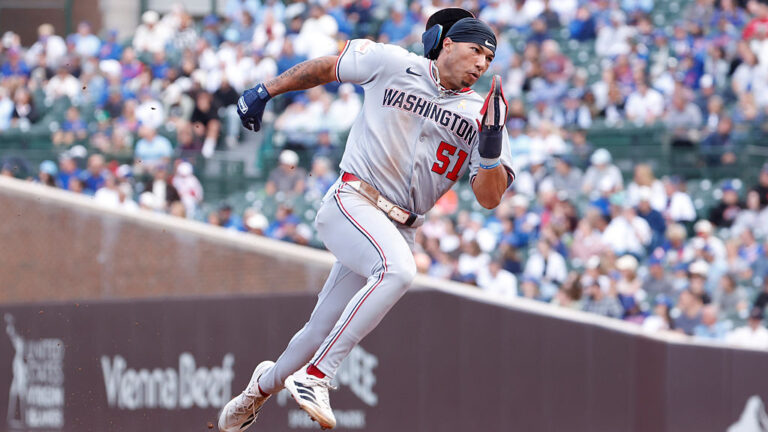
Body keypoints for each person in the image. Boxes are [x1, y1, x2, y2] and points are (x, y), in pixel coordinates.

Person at [219, 10, 515, 431]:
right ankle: (319, 376)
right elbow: (326, 66)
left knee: (317, 330)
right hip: (353, 200)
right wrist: (268, 89)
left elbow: (489, 198)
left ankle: (257, 391)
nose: (482, 63)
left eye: (489, 58)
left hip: (399, 227)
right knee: (397, 272)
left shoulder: (481, 113)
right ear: (445, 43)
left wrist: (490, 145)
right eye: (475, 51)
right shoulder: (392, 63)